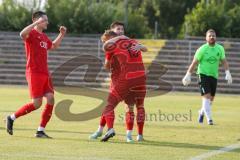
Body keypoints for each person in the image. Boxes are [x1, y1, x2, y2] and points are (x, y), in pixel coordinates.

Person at [5, 11, 67, 138]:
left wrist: (61, 34)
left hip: (45, 73)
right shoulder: (31, 33)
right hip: (34, 72)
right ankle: (11, 117)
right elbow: (22, 34)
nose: (47, 22)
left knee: (51, 98)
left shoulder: (44, 36)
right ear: (36, 21)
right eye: (44, 20)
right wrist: (35, 23)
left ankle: (40, 130)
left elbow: (54, 46)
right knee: (36, 104)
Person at [91, 30, 146, 142]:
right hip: (141, 77)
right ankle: (131, 136)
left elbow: (106, 61)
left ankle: (109, 129)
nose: (105, 42)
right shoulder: (132, 41)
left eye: (105, 40)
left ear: (111, 37)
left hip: (125, 78)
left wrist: (115, 40)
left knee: (108, 105)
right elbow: (145, 48)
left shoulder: (113, 44)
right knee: (136, 106)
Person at [182, 29, 232, 125]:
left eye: (213, 35)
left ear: (216, 37)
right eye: (210, 36)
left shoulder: (220, 48)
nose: (212, 37)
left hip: (214, 76)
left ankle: (201, 112)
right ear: (206, 38)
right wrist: (187, 75)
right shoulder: (202, 49)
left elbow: (224, 61)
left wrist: (227, 73)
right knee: (206, 97)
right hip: (203, 74)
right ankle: (210, 119)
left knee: (211, 99)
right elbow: (194, 63)